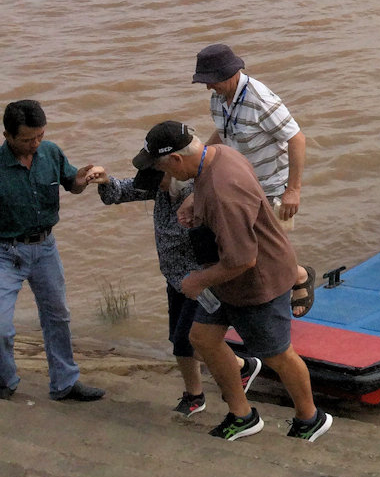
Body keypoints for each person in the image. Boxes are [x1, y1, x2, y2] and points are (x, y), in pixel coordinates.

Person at [134, 121, 331, 442]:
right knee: (201, 337)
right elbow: (210, 191)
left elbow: (243, 259)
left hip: (258, 281)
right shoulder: (219, 154)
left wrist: (198, 280)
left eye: (160, 166)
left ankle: (310, 417)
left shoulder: (224, 192)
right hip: (227, 279)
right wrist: (194, 200)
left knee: (277, 355)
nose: (161, 174)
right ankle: (242, 415)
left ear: (176, 161)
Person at [97, 164, 260, 416]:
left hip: (201, 281)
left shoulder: (199, 194)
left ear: (173, 173)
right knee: (178, 341)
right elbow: (121, 192)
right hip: (174, 279)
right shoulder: (161, 189)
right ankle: (194, 395)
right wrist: (105, 181)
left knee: (192, 341)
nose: (153, 184)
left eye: (157, 178)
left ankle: (241, 366)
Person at [189, 44, 314, 315]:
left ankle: (300, 277)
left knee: (270, 248)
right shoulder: (219, 99)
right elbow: (223, 134)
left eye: (210, 80)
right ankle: (287, 281)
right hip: (240, 184)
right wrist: (200, 168)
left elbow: (296, 139)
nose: (208, 87)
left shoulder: (261, 100)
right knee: (248, 245)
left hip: (270, 184)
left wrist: (293, 190)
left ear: (230, 73)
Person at [0, 99, 107, 402]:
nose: (34, 144)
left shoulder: (51, 152)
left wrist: (84, 179)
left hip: (45, 247)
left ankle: (65, 383)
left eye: (39, 136)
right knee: (1, 328)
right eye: (26, 139)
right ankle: (4, 382)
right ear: (7, 136)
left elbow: (71, 184)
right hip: (5, 252)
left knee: (58, 315)